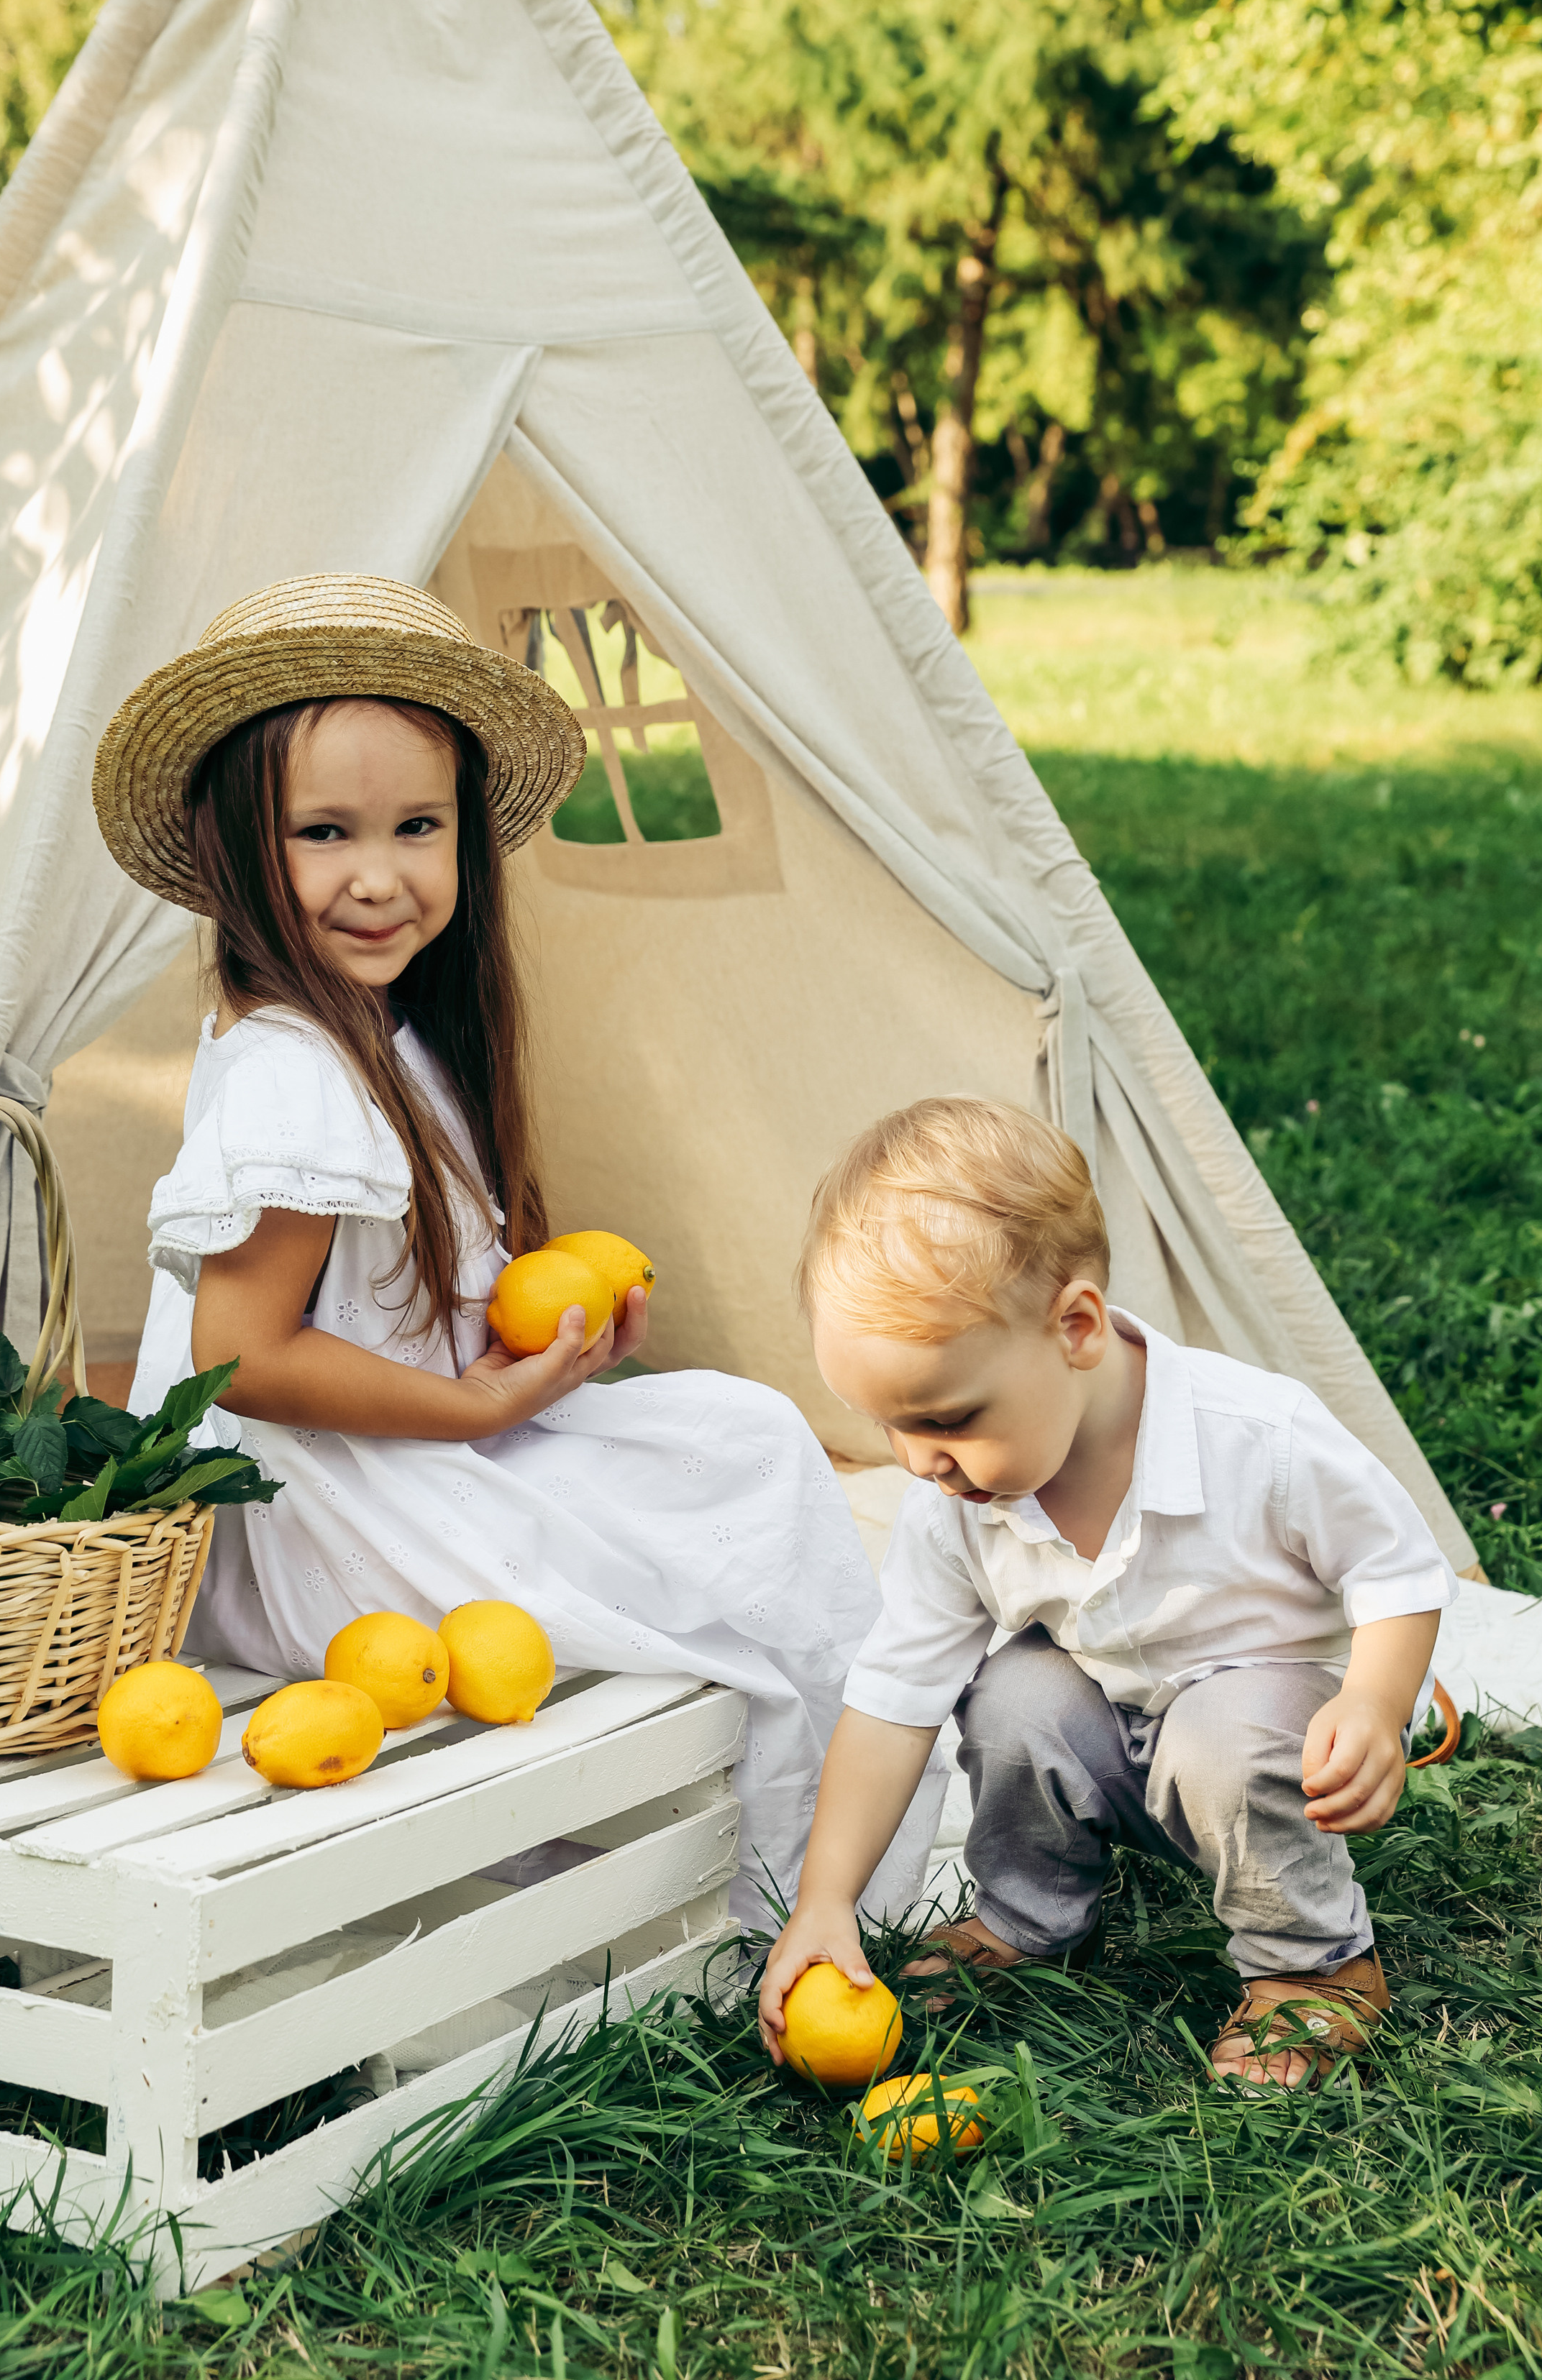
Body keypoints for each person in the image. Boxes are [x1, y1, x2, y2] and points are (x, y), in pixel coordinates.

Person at [92, 572, 935, 1928]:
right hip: (329, 1510)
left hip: (406, 1444)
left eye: (418, 826)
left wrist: (531, 1338)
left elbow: (376, 1303)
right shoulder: (289, 1073)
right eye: (323, 833)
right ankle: (804, 1890)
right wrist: (483, 1399)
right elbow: (240, 1359)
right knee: (741, 1503)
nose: (381, 877)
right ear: (242, 849)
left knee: (743, 1438)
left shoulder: (379, 1032)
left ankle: (823, 1864)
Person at [757, 1095, 1458, 2087]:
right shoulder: (953, 1503)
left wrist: (1376, 1703)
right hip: (1115, 1744)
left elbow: (1397, 1569)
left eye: (949, 1418)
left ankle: (1314, 1969)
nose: (919, 1461)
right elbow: (892, 1701)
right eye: (886, 1426)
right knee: (1013, 1696)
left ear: (1077, 1327)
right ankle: (1030, 1920)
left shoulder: (1256, 1435)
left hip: (1263, 1751)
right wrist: (824, 1901)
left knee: (1223, 1729)